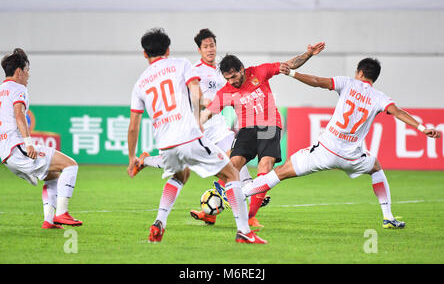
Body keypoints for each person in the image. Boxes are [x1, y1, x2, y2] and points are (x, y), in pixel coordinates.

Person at [240, 57, 442, 228]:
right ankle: (388, 217)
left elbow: (318, 81)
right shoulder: (380, 97)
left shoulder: (348, 83)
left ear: (360, 72)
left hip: (325, 151)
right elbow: (398, 112)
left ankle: (237, 193)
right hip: (351, 156)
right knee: (376, 167)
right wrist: (423, 128)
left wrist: (293, 74)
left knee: (280, 173)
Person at [126, 28, 267, 244]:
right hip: (190, 133)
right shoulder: (181, 64)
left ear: (145, 54)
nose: (210, 49)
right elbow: (195, 92)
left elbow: (133, 126)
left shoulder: (140, 83)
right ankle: (244, 231)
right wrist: (197, 119)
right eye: (206, 46)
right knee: (231, 174)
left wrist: (130, 158)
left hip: (166, 142)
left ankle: (159, 222)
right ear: (168, 49)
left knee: (180, 175)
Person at [200, 42, 326, 227]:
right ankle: (212, 212)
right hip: (246, 130)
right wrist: (196, 126)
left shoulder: (259, 72)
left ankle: (250, 216)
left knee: (264, 167)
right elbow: (208, 112)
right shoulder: (226, 91)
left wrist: (308, 54)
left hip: (269, 126)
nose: (232, 81)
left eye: (234, 76)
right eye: (228, 78)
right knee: (231, 167)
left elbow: (288, 65)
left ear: (242, 69)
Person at [0, 48, 83, 229]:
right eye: (27, 70)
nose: (28, 75)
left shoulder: (1, 91)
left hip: (6, 155)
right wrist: (28, 144)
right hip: (18, 148)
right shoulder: (18, 88)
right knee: (71, 165)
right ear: (19, 71)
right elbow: (20, 115)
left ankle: (49, 220)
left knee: (53, 176)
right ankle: (62, 213)